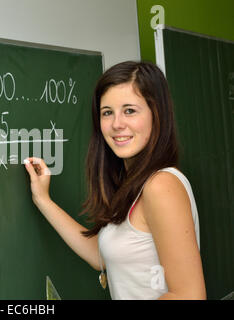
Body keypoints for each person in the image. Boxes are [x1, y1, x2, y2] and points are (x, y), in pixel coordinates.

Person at [24, 61, 206, 300]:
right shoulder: (133, 185)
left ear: (157, 115)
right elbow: (99, 255)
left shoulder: (161, 186)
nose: (117, 124)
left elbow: (189, 296)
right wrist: (43, 200)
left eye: (130, 110)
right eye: (107, 112)